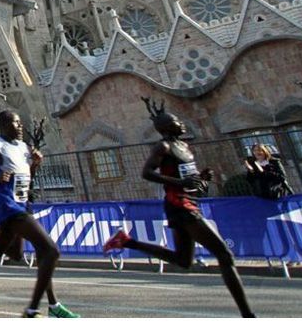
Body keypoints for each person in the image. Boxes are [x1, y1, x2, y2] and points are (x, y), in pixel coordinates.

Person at [102, 98, 255, 318]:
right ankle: (248, 316)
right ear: (164, 128)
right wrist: (180, 184)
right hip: (179, 205)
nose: (181, 123)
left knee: (183, 261)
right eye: (175, 121)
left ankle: (126, 241)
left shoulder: (184, 146)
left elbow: (186, 177)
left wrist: (201, 178)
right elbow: (147, 173)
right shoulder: (162, 146)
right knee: (224, 254)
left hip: (189, 201)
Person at [0, 111, 78, 319]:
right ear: (3, 125)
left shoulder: (24, 147)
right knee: (49, 250)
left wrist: (35, 164)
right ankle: (40, 308)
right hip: (9, 206)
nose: (20, 126)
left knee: (2, 257)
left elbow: (27, 176)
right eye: (16, 122)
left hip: (23, 202)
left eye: (20, 122)